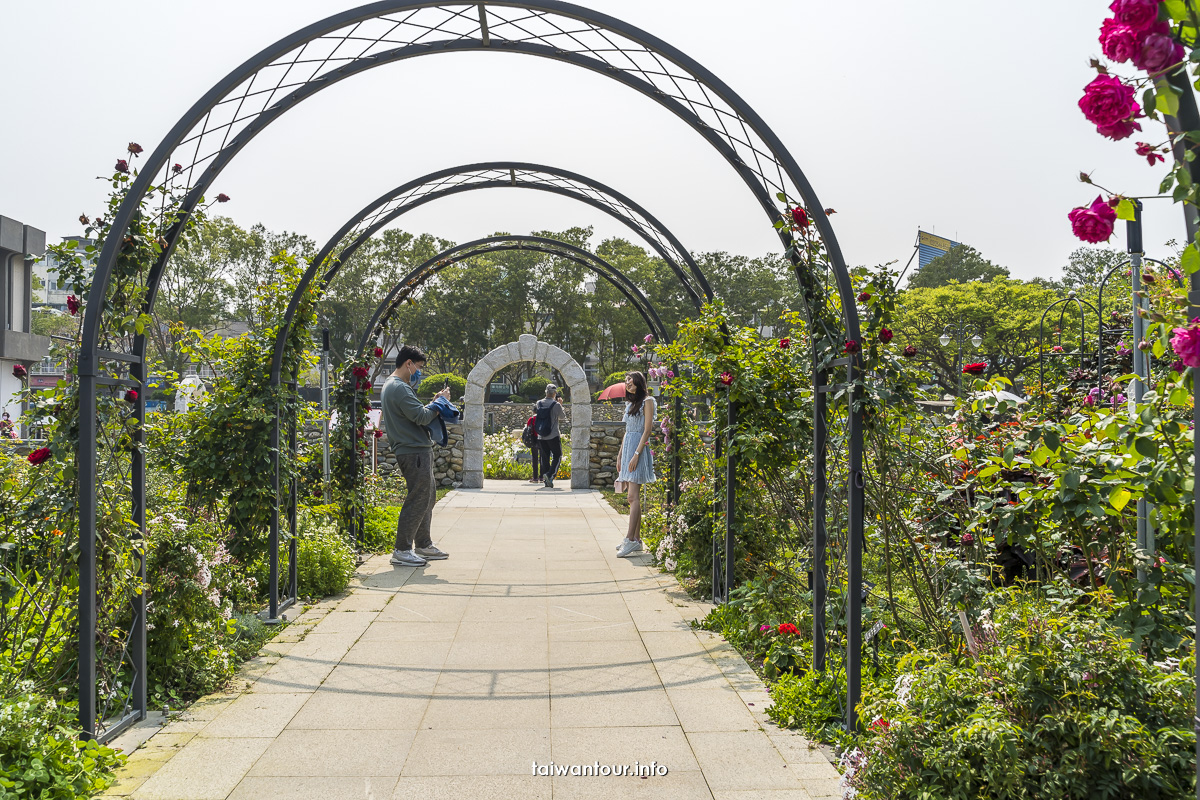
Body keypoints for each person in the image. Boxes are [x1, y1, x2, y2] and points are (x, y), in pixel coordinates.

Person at [380, 345, 451, 567]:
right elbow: (421, 416)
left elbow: (413, 413)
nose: (419, 372)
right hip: (413, 451)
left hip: (415, 449)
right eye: (418, 367)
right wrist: (441, 403)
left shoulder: (393, 386)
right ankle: (402, 549)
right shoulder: (399, 387)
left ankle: (423, 544)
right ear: (408, 363)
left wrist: (435, 402)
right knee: (418, 499)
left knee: (427, 497)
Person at [615, 371, 656, 557]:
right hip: (629, 449)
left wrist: (636, 454)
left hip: (638, 450)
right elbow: (627, 431)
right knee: (632, 497)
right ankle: (637, 540)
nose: (627, 383)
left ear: (638, 382)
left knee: (632, 497)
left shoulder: (648, 401)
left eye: (630, 380)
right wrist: (620, 455)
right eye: (626, 381)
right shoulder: (630, 404)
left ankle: (630, 539)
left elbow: (647, 430)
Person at [533, 384, 564, 488]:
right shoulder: (556, 404)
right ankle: (549, 475)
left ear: (546, 392)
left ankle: (547, 481)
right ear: (554, 394)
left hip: (541, 435)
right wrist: (560, 404)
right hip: (553, 434)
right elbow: (562, 417)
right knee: (558, 455)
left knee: (545, 457)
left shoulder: (539, 403)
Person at [523, 415, 542, 484]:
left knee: (535, 459)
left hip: (533, 440)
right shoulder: (542, 418)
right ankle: (542, 477)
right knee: (542, 458)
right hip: (542, 439)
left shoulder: (531, 419)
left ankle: (535, 477)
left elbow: (527, 428)